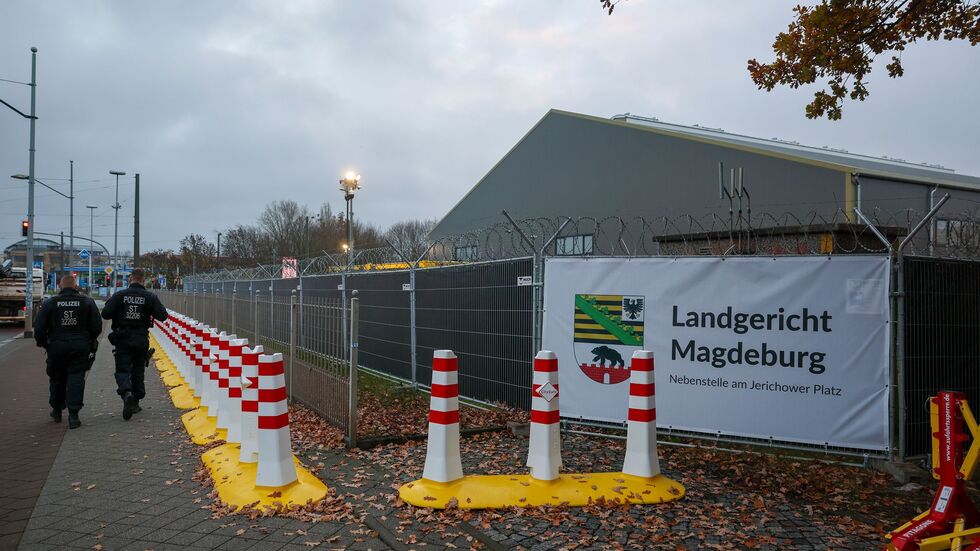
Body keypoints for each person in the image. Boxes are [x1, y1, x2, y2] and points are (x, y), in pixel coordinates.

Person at [33, 274, 102, 429]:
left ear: (60, 286)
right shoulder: (87, 302)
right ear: (76, 286)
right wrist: (89, 340)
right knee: (76, 378)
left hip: (57, 346)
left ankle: (57, 410)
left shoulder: (50, 303)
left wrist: (45, 344)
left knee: (57, 378)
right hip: (79, 346)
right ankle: (74, 415)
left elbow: (39, 328)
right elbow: (97, 326)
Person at [101, 268, 168, 420]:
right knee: (138, 369)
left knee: (122, 369)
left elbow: (105, 314)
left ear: (130, 279)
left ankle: (126, 394)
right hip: (141, 337)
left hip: (122, 337)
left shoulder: (119, 295)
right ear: (143, 280)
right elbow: (163, 316)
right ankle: (136, 402)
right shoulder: (150, 296)